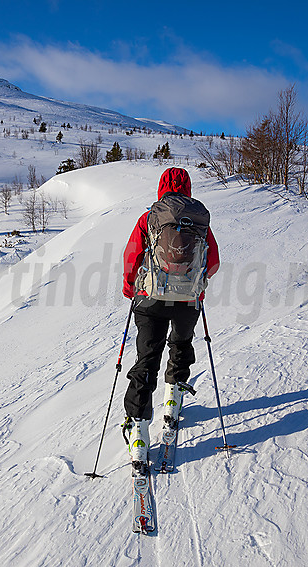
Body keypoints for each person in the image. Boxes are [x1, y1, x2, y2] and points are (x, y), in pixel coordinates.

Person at [121, 167, 219, 469]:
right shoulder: (200, 220)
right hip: (187, 300)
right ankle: (173, 401)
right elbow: (212, 261)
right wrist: (196, 286)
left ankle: (138, 433)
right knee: (181, 345)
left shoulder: (150, 217)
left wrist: (130, 287)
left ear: (160, 187)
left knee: (147, 358)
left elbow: (132, 256)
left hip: (150, 298)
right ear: (188, 188)